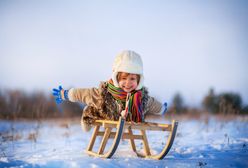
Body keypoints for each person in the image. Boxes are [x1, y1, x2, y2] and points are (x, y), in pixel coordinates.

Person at [52, 50, 167, 131]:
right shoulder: (105, 94)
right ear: (117, 78)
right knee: (93, 107)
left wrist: (162, 108)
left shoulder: (140, 96)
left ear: (139, 81)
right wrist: (67, 94)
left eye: (132, 79)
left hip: (127, 119)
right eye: (124, 78)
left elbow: (151, 103)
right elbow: (86, 94)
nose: (128, 83)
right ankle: (86, 116)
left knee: (142, 104)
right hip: (105, 113)